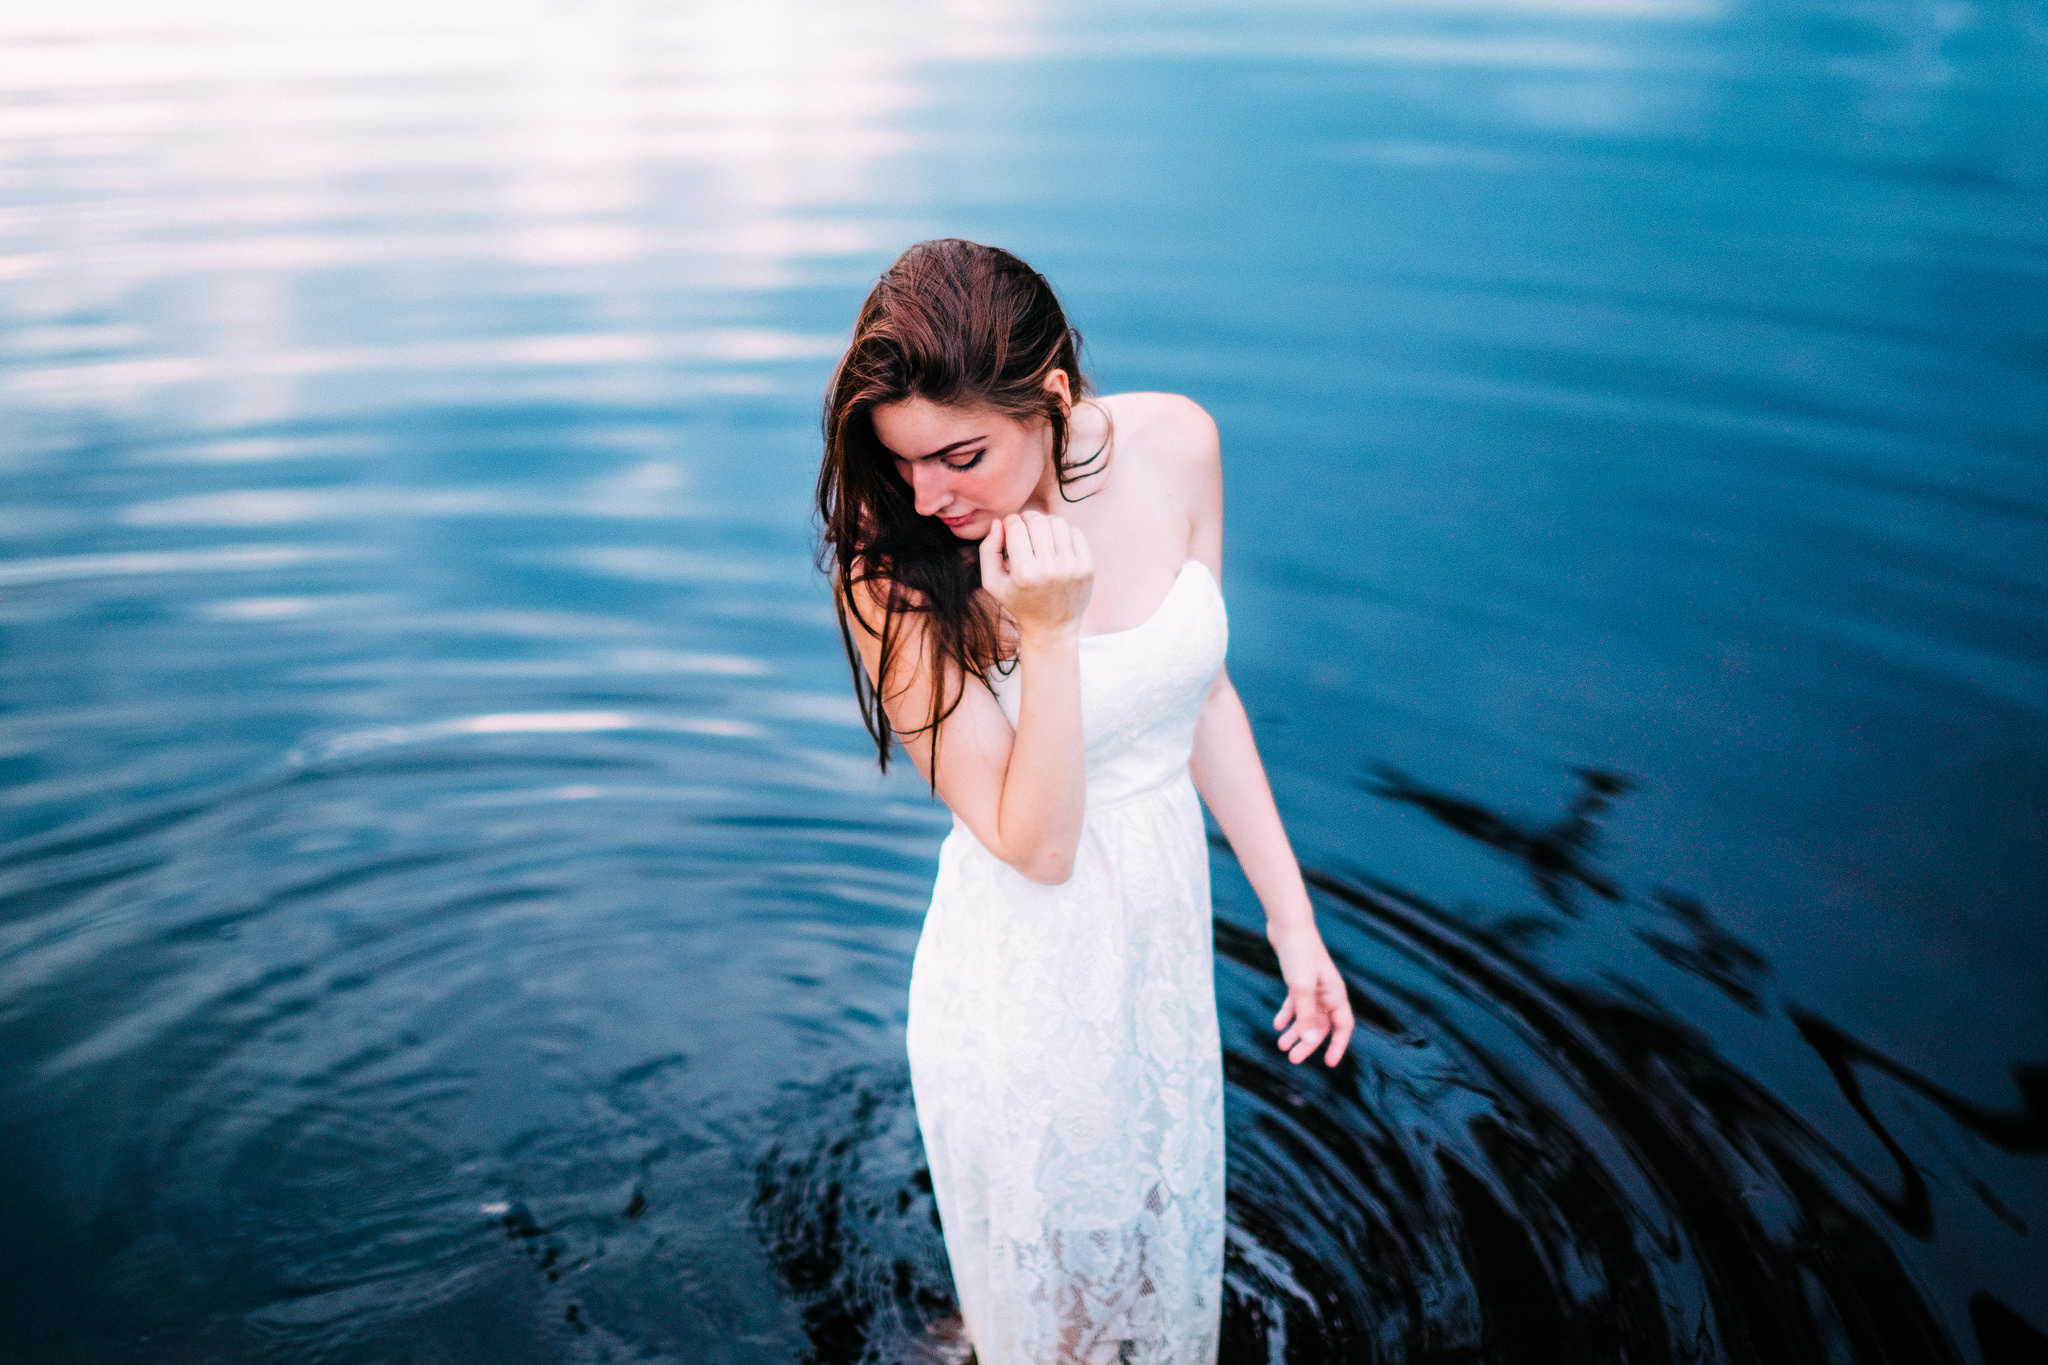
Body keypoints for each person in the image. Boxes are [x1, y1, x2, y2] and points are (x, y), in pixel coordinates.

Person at [816, 239, 1354, 1365]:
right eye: (902, 460)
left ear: (1051, 398)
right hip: (1021, 978)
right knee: (1054, 1329)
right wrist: (1048, 634)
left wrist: (1291, 923)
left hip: (1155, 947)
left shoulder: (1177, 443)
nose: (927, 493)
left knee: (1155, 1289)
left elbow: (1200, 694)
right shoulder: (890, 574)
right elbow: (1035, 845)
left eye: (958, 453)